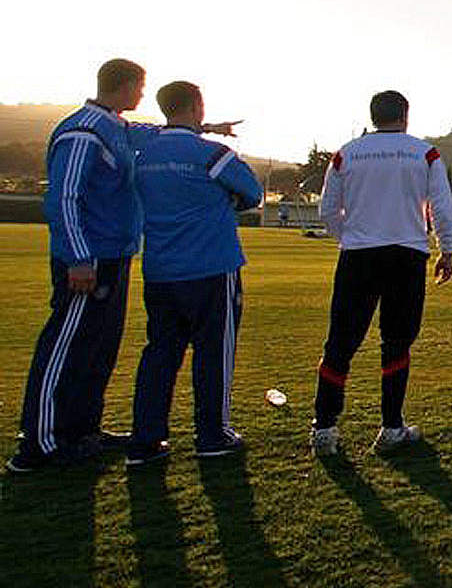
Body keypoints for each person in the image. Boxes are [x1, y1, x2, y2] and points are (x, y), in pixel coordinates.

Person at [8, 60, 236, 472]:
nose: (142, 95)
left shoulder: (115, 125)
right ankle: (38, 444)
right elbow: (64, 198)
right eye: (140, 87)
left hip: (113, 256)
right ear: (127, 85)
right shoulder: (85, 131)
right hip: (88, 258)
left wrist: (209, 128)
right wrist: (78, 258)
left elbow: (159, 132)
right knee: (64, 345)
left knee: (98, 346)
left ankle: (81, 431)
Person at [310, 91, 452, 456]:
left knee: (340, 343)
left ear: (373, 116)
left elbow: (328, 210)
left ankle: (324, 429)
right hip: (406, 256)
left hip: (358, 257)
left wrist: (352, 238)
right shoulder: (425, 153)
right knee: (396, 342)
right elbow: (441, 205)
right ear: (405, 116)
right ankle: (391, 427)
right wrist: (446, 249)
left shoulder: (347, 152)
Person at [125, 82, 262, 465]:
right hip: (211, 267)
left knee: (160, 354)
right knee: (213, 352)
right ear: (197, 107)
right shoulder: (212, 153)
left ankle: (145, 442)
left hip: (161, 269)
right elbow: (252, 193)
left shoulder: (143, 152)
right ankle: (212, 435)